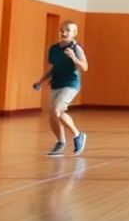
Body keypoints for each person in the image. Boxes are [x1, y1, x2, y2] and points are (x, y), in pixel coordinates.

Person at [30, 20, 88, 156]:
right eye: (62, 30)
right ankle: (61, 142)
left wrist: (73, 57)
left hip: (71, 84)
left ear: (74, 33)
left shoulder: (76, 48)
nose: (64, 32)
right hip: (56, 84)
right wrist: (41, 81)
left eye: (68, 30)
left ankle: (77, 134)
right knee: (52, 113)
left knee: (56, 109)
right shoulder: (53, 49)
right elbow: (53, 68)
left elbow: (84, 67)